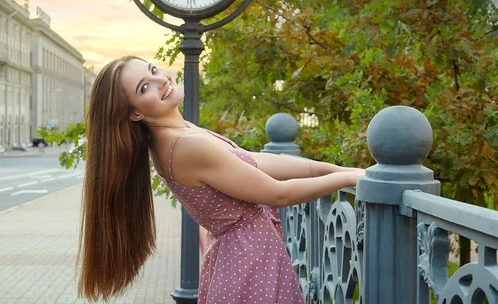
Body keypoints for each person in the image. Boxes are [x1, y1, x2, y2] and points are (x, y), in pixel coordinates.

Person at [77, 56, 365, 303]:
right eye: (144, 87)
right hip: (250, 264)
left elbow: (255, 161)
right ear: (135, 113)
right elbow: (278, 194)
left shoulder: (176, 134)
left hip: (239, 259)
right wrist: (348, 177)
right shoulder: (185, 145)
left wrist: (331, 169)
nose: (161, 80)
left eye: (153, 71)